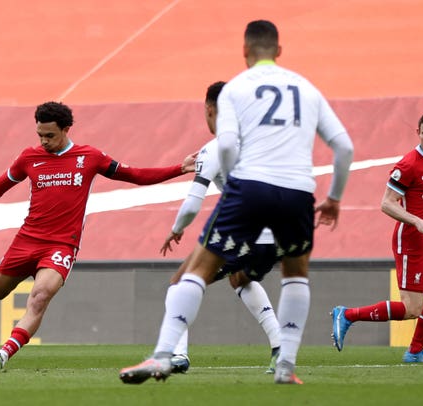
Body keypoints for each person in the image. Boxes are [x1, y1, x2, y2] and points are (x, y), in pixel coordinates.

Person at [120, 19, 353, 385]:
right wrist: (334, 198)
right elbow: (344, 147)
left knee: (192, 272)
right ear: (279, 51)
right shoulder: (306, 89)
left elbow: (226, 145)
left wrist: (235, 191)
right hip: (297, 192)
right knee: (295, 276)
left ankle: (166, 355)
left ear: (244, 51)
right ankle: (286, 366)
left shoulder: (234, 90)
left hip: (251, 189)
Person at [0, 101, 196, 370]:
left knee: (39, 297)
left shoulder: (89, 157)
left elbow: (134, 174)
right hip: (27, 240)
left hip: (61, 245)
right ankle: (10, 333)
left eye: (50, 136)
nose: (44, 141)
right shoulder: (29, 157)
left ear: (66, 130)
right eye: (40, 135)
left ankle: (3, 354)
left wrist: (179, 168)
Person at [331, 110, 423, 363]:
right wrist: (418, 221)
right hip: (411, 241)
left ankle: (415, 352)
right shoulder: (408, 165)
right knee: (411, 308)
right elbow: (387, 204)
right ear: (418, 134)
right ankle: (347, 315)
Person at [160, 81, 281, 375]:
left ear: (210, 109)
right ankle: (281, 346)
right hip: (277, 232)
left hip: (243, 232)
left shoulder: (213, 149)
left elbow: (191, 204)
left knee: (180, 284)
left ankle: (178, 355)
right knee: (240, 278)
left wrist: (176, 229)